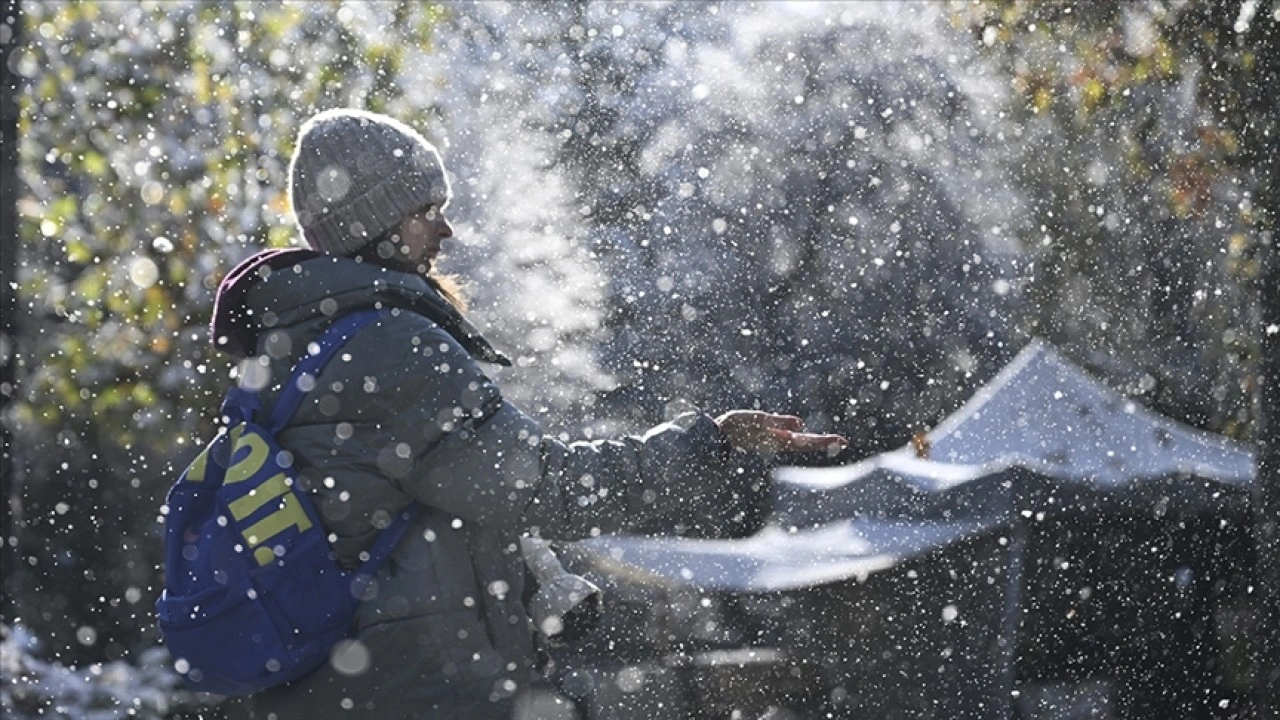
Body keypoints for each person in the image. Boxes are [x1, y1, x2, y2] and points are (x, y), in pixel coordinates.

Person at [210, 108, 846, 719]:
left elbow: (429, 504)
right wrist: (706, 441)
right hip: (424, 687)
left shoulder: (294, 348)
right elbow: (541, 484)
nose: (445, 231)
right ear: (377, 224)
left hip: (345, 681)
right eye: (427, 211)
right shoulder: (388, 346)